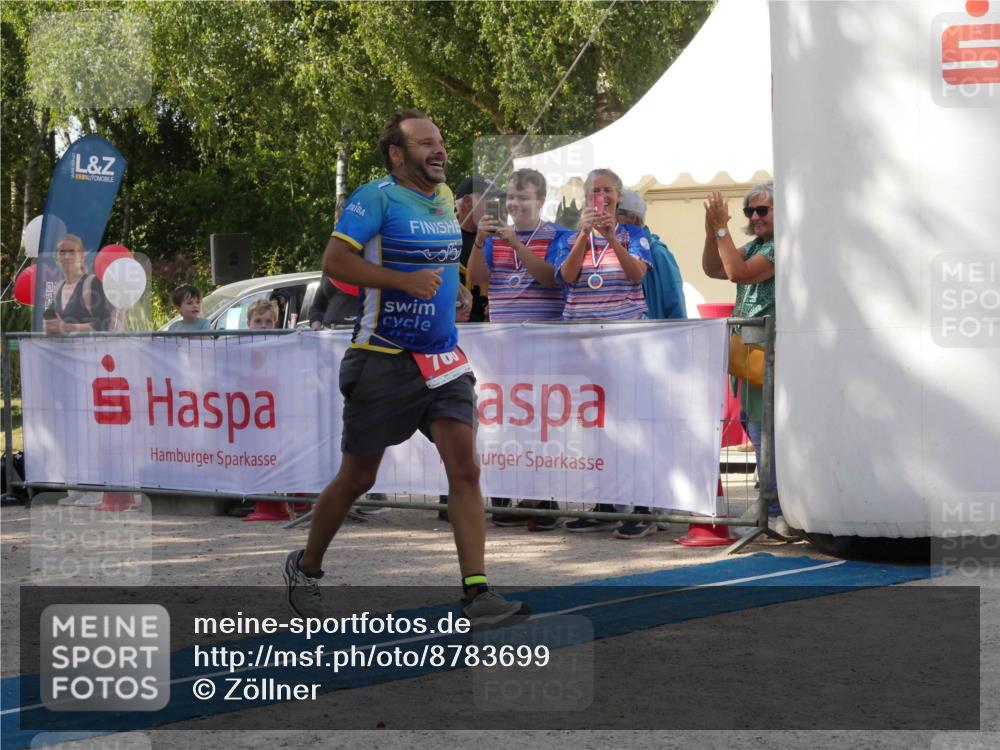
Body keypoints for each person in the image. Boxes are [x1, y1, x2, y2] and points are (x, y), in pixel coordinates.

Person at [283, 109, 529, 628]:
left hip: (442, 358)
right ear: (397, 154)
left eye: (440, 141)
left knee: (464, 469)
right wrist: (403, 282)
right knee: (358, 477)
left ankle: (476, 594)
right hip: (382, 358)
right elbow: (335, 262)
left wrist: (456, 283)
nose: (439, 150)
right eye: (425, 144)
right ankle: (306, 567)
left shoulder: (442, 200)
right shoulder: (375, 197)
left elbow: (436, 263)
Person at [550, 169, 656, 538]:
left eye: (608, 191)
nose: (602, 197)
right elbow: (567, 276)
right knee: (595, 426)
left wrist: (612, 239)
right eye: (595, 191)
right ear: (585, 198)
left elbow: (637, 275)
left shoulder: (635, 234)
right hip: (585, 345)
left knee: (631, 423)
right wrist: (584, 234)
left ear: (618, 195)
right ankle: (606, 503)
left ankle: (643, 505)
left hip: (626, 344)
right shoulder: (570, 236)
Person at [467, 167, 567, 530]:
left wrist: (517, 244)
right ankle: (508, 495)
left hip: (544, 347)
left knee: (543, 424)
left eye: (523, 198)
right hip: (502, 349)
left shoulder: (557, 235)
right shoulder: (494, 238)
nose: (515, 204)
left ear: (540, 200)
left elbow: (551, 278)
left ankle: (544, 499)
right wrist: (480, 240)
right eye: (511, 198)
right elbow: (476, 279)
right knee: (507, 424)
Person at [702, 182, 791, 537]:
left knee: (766, 434)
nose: (755, 216)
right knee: (757, 430)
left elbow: (737, 273)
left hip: (769, 355)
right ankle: (770, 507)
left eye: (763, 210)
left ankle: (776, 510)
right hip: (749, 356)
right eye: (749, 211)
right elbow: (714, 269)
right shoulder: (755, 246)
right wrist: (713, 231)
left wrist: (722, 229)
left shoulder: (779, 248)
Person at [616, 190, 687, 320]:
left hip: (651, 336)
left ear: (631, 218)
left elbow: (675, 305)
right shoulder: (610, 250)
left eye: (616, 213)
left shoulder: (657, 253)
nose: (611, 219)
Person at [43, 234, 112, 334]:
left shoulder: (92, 282)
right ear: (56, 259)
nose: (67, 257)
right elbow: (51, 321)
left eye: (72, 252)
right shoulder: (57, 288)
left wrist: (65, 327)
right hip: (61, 349)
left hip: (90, 348)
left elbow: (105, 324)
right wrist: (48, 325)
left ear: (82, 256)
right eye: (62, 252)